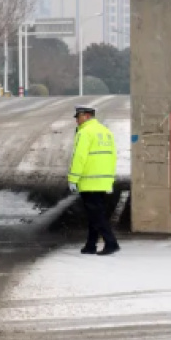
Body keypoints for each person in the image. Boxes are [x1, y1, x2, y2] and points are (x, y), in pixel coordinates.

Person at [67, 105, 120, 256]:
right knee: (95, 214)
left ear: (87, 116)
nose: (77, 120)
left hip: (89, 180)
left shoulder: (85, 133)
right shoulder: (106, 132)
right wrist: (109, 179)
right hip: (102, 180)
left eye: (78, 117)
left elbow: (79, 157)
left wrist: (73, 178)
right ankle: (91, 244)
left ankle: (111, 243)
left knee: (96, 215)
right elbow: (112, 157)